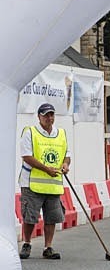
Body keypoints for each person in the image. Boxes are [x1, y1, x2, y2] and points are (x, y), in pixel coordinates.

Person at [18, 103, 71, 260]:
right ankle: (27, 243)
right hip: (31, 183)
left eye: (51, 115)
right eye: (45, 115)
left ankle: (48, 247)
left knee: (52, 217)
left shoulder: (60, 133)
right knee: (30, 216)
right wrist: (46, 169)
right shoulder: (30, 132)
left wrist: (65, 164)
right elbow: (27, 156)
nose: (49, 118)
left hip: (53, 184)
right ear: (39, 117)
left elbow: (66, 155)